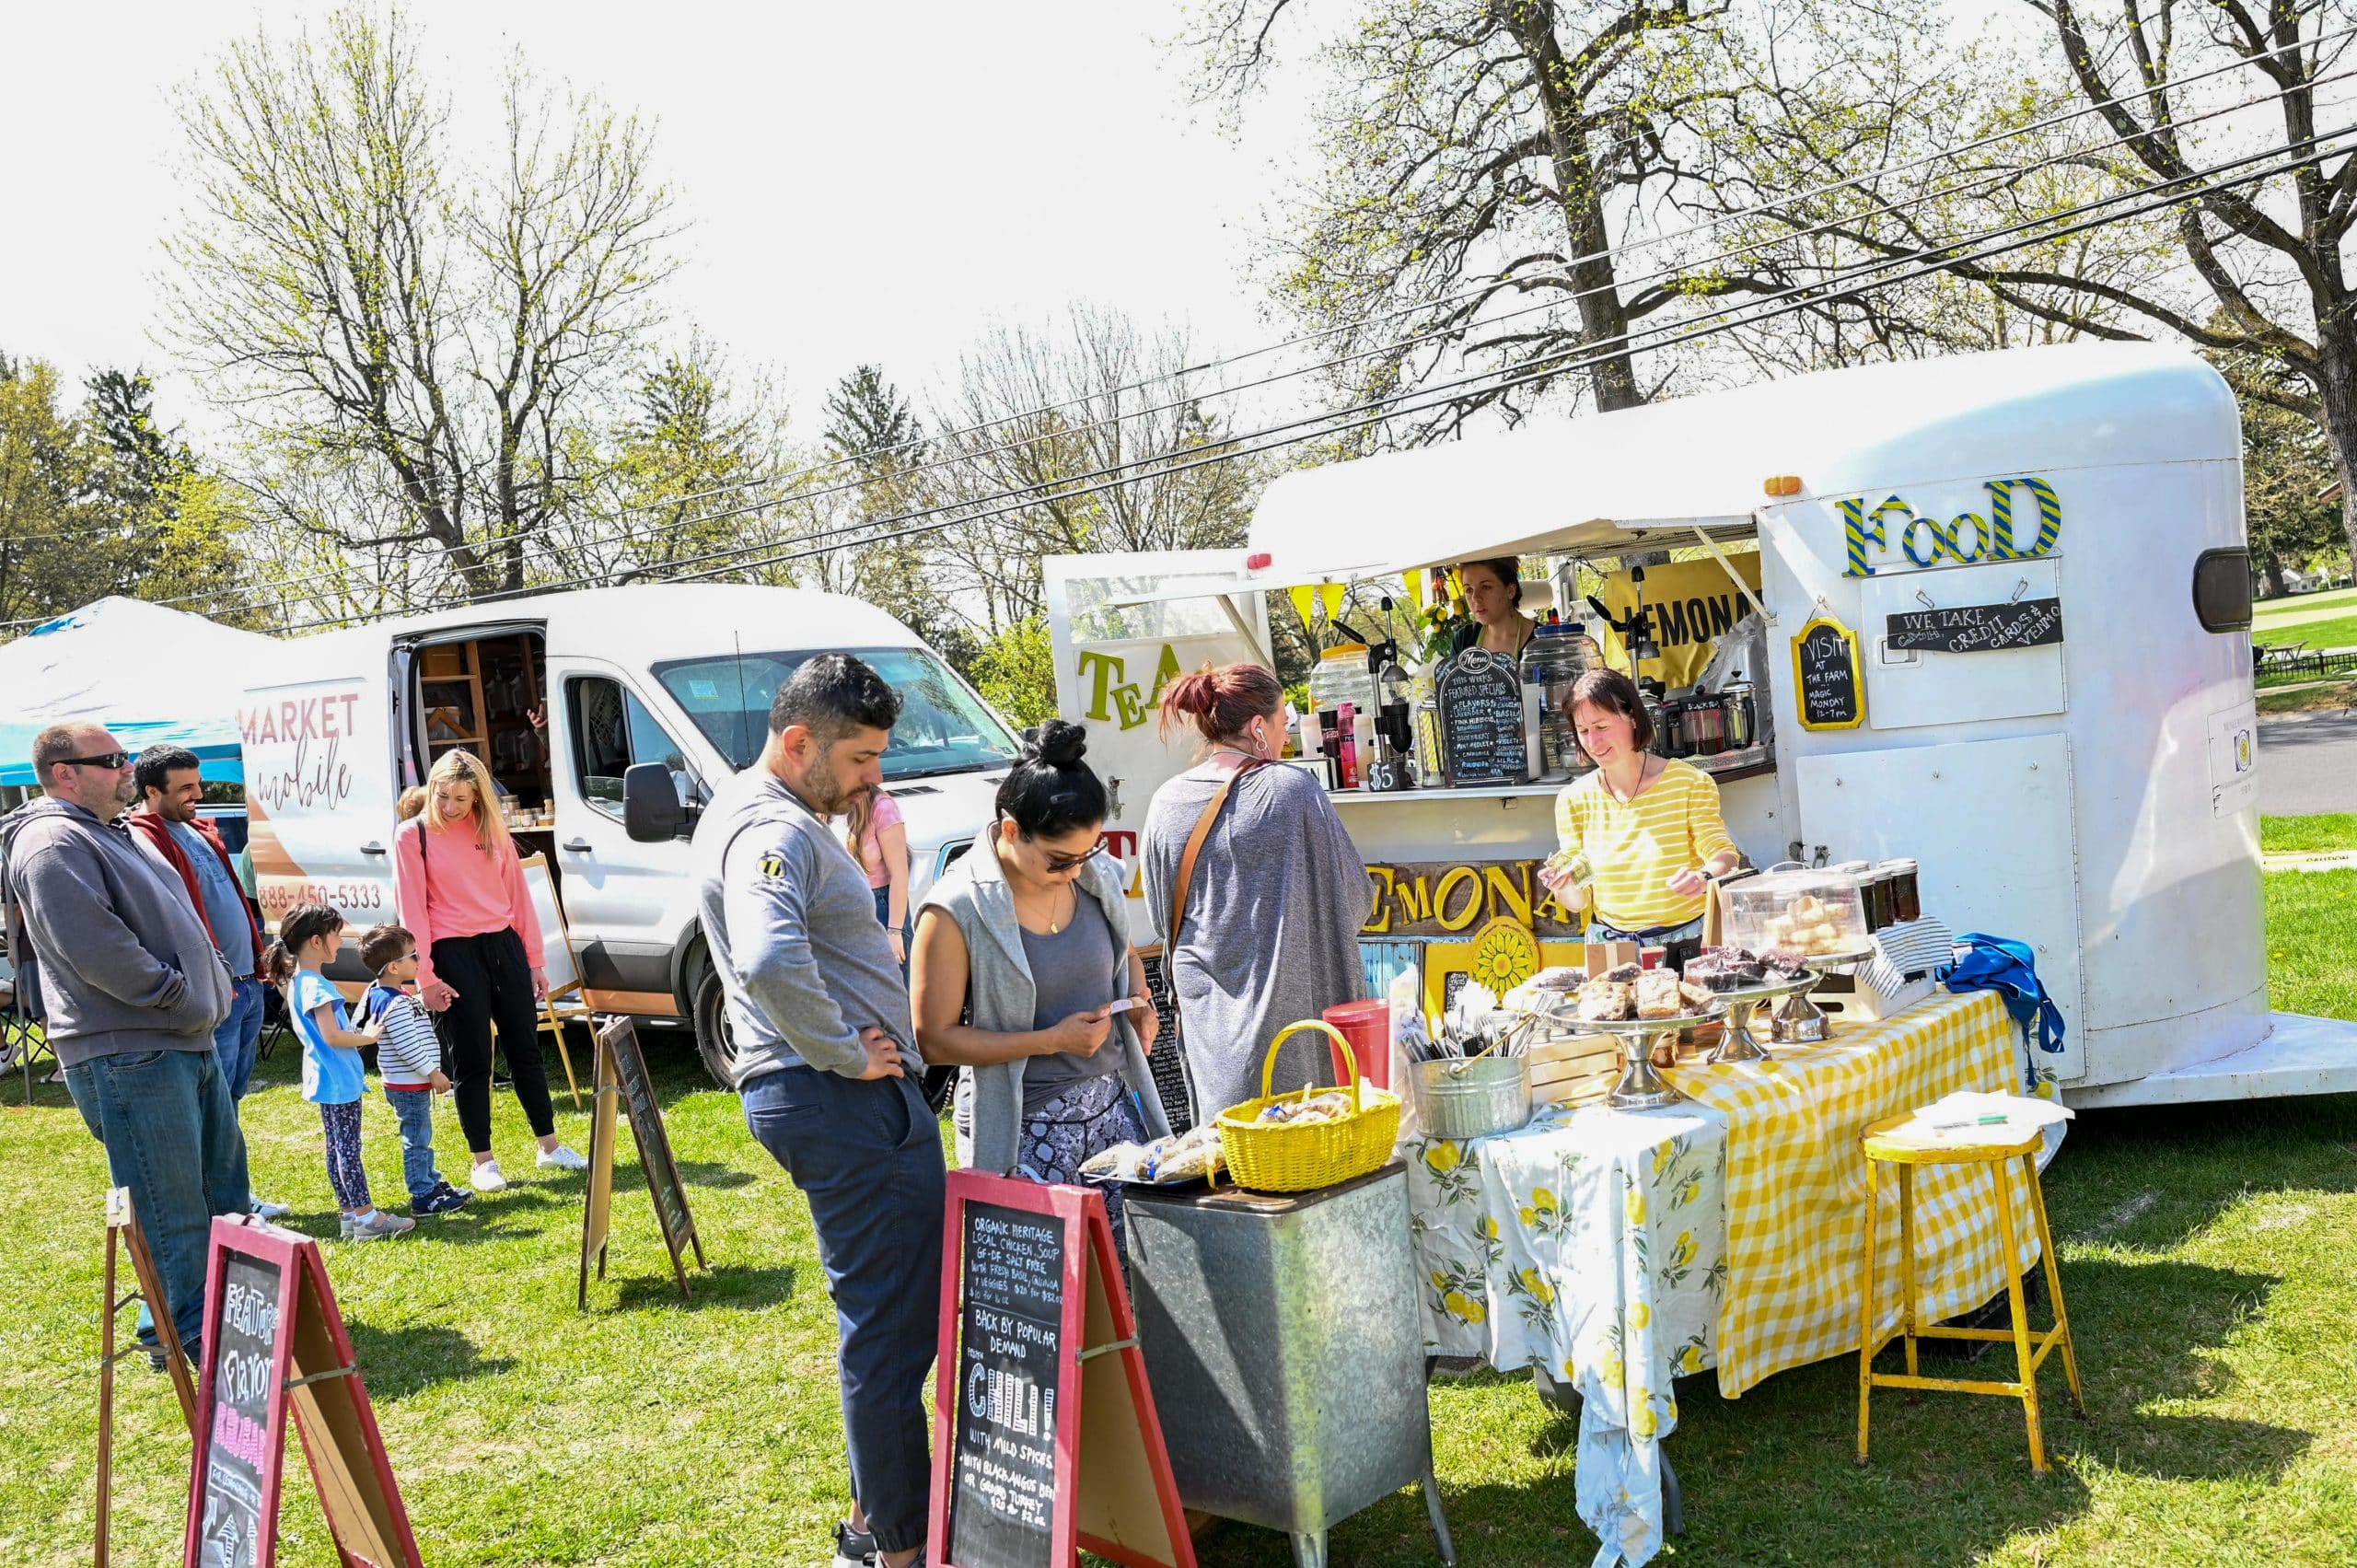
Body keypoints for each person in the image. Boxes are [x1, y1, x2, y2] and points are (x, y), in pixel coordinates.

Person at [693, 653, 942, 1568]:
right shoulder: (777, 827)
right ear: (799, 741)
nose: (874, 778)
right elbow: (762, 957)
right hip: (841, 1098)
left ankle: (873, 1521)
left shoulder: (752, 809)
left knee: (879, 1317)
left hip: (821, 1095)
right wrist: (845, 1046)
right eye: (860, 758)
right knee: (888, 1329)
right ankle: (895, 1545)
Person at [1, 724, 246, 1362]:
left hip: (179, 1039)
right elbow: (96, 949)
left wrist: (205, 984)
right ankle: (193, 1340)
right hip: (132, 1050)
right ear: (64, 773)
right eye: (112, 761)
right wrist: (179, 993)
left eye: (126, 758)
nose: (127, 769)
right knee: (172, 1210)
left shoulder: (106, 831)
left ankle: (201, 1325)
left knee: (220, 1192)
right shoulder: (52, 841)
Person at [912, 720, 1166, 1246]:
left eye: (1088, 854)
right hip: (1021, 1129)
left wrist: (1138, 1001)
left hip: (1114, 1114)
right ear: (1011, 830)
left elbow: (1123, 959)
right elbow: (933, 1040)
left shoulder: (1099, 878)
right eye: (1059, 860)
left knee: (1134, 1294)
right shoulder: (956, 908)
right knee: (1048, 1313)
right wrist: (1051, 1041)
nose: (1076, 871)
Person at [1142, 664, 1376, 1121]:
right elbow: (1354, 901)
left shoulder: (1165, 801)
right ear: (1257, 728)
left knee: (1229, 1161)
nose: (1287, 729)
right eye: (1282, 719)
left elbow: (1160, 917)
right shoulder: (1292, 790)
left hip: (1209, 1027)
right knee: (1305, 1162)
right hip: (1293, 1027)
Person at [392, 748, 584, 1191]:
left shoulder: (492, 829)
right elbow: (412, 911)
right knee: (472, 1057)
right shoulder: (411, 835)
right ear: (431, 788)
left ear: (478, 797)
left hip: (505, 947)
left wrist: (535, 960)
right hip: (452, 953)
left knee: (526, 1051)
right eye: (443, 795)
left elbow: (519, 897)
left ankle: (550, 1147)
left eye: (461, 798)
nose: (450, 807)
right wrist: (427, 978)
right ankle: (483, 1160)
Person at [124, 745, 289, 1220]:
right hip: (215, 991)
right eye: (186, 788)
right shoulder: (144, 838)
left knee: (229, 1100)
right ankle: (217, 1204)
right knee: (209, 1107)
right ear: (151, 791)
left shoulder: (195, 830)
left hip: (245, 982)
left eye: (198, 783)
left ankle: (232, 1197)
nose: (199, 794)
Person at [1540, 668, 1738, 970]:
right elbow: (1579, 902)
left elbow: (1725, 856)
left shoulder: (1689, 782)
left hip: (1685, 947)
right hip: (1609, 951)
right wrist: (1561, 884)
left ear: (1633, 718)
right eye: (1582, 731)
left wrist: (1703, 879)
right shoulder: (1573, 799)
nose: (1592, 741)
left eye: (1602, 726)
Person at [262, 904, 415, 1240]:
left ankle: (349, 1214)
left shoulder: (302, 981)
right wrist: (370, 1036)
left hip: (325, 1079)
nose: (341, 938)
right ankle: (367, 1218)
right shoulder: (318, 986)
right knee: (348, 1149)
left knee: (337, 1149)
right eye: (336, 933)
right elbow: (333, 1036)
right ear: (317, 941)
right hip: (338, 1081)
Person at [357, 923, 473, 1217]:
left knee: (421, 1135)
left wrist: (426, 1002)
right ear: (394, 967)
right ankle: (422, 1194)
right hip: (408, 1084)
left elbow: (409, 1019)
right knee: (417, 1139)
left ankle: (431, 1183)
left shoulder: (396, 996)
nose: (419, 959)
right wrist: (433, 1072)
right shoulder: (392, 1002)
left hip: (410, 1083)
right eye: (414, 955)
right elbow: (407, 1045)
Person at [844, 784, 911, 973]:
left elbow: (900, 873)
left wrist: (895, 931)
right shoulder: (821, 806)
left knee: (891, 996)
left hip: (880, 910)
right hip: (838, 914)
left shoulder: (881, 807)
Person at [1449, 556, 1538, 658]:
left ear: (1510, 591)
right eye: (1469, 590)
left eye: (1486, 587)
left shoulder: (1542, 640)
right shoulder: (1463, 640)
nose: (1475, 598)